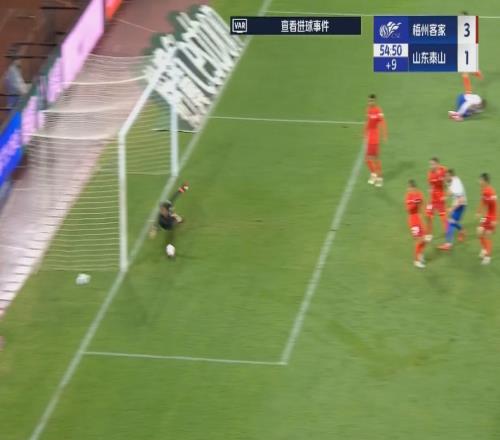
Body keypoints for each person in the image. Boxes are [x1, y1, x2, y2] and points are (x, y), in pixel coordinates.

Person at [438, 169, 467, 250]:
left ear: (451, 176)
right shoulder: (452, 179)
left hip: (461, 205)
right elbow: (450, 190)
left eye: (447, 176)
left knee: (450, 222)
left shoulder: (457, 186)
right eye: (445, 176)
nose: (445, 177)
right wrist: (446, 196)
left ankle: (448, 244)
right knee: (452, 221)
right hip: (456, 202)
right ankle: (462, 230)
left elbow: (461, 200)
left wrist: (452, 208)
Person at [364, 93, 387, 187]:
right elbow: (368, 122)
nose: (370, 102)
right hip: (370, 137)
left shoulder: (378, 110)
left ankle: (380, 178)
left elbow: (383, 122)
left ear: (375, 101)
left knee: (375, 159)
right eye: (369, 101)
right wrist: (364, 133)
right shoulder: (368, 110)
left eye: (371, 101)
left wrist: (384, 134)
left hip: (375, 138)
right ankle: (374, 174)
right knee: (367, 159)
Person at [425, 157, 448, 242]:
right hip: (432, 198)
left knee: (443, 217)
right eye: (430, 164)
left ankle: (448, 234)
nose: (431, 166)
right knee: (428, 216)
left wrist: (446, 195)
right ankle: (429, 234)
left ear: (437, 164)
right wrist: (430, 189)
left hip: (440, 198)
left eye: (432, 164)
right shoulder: (430, 174)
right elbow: (430, 185)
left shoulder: (443, 170)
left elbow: (448, 183)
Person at [476, 173, 497, 265]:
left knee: (487, 236)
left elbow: (496, 207)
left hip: (492, 217)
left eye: (480, 180)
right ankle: (484, 249)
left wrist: (495, 220)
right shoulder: (483, 190)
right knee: (479, 232)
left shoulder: (491, 192)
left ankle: (488, 257)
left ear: (485, 181)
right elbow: (482, 201)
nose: (479, 181)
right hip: (486, 216)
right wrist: (479, 211)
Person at [406, 179, 426, 268]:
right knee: (418, 240)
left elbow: (422, 203)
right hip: (412, 219)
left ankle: (420, 254)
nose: (408, 189)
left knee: (424, 238)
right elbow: (408, 210)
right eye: (408, 188)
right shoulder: (408, 197)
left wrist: (424, 213)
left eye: (409, 187)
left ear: (413, 187)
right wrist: (414, 203)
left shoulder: (419, 194)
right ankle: (416, 261)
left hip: (419, 218)